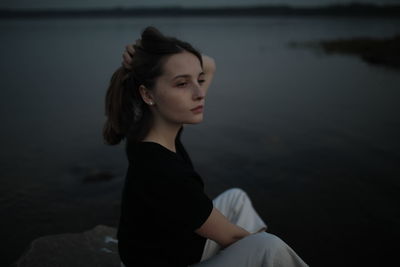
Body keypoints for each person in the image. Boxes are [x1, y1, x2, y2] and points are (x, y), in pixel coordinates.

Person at [103, 26, 309, 267]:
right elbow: (233, 237)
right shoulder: (162, 170)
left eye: (199, 80)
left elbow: (209, 65)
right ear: (148, 95)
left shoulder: (150, 132)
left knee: (236, 199)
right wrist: (261, 252)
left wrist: (143, 55)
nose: (200, 93)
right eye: (182, 84)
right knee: (268, 246)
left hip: (173, 249)